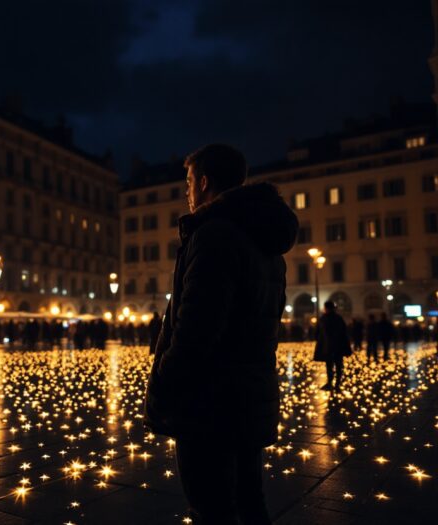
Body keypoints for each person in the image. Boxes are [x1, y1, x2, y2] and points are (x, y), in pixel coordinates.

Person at [143, 144, 298, 525]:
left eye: (188, 181)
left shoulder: (214, 235)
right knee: (249, 502)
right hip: (248, 394)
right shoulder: (265, 241)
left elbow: (196, 328)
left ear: (204, 182)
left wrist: (165, 379)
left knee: (211, 508)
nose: (186, 191)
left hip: (208, 402)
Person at [313, 301, 352, 391]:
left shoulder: (323, 319)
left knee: (330, 365)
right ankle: (337, 384)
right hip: (338, 346)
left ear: (326, 308)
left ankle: (330, 383)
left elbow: (318, 333)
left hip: (328, 346)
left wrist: (320, 341)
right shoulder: (338, 318)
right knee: (338, 365)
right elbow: (344, 333)